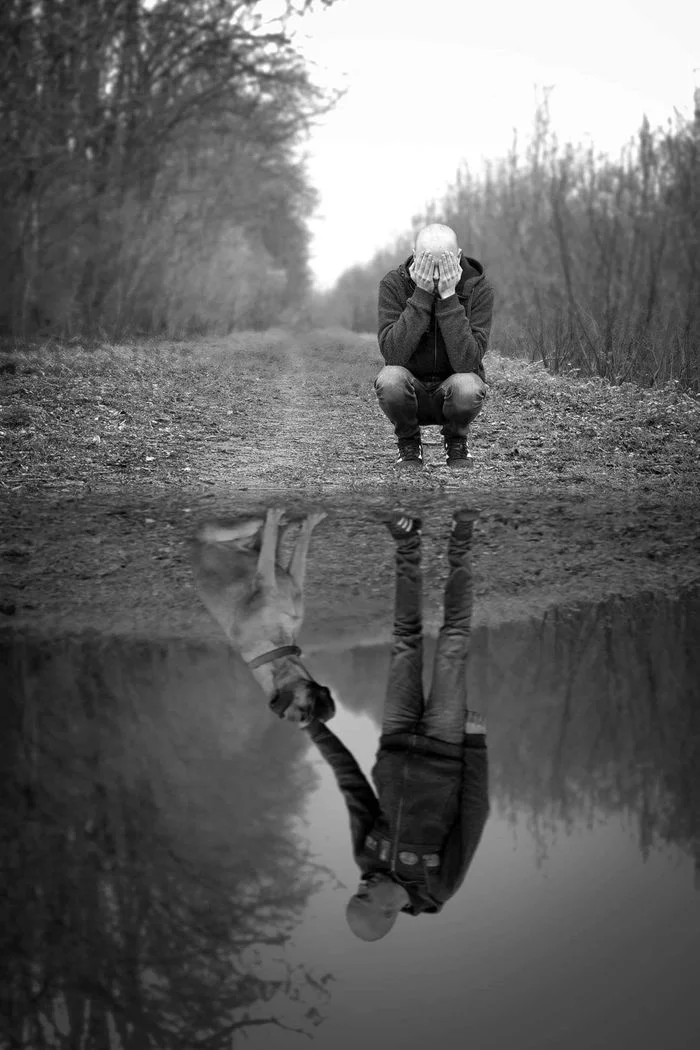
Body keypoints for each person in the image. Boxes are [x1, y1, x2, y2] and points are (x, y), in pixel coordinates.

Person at [301, 507, 490, 940]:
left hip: (397, 735)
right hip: (446, 745)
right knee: (453, 642)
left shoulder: (365, 860)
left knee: (405, 638)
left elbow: (350, 784)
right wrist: (476, 745)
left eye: (356, 892)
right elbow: (474, 813)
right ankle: (461, 537)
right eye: (364, 897)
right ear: (389, 914)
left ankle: (407, 542)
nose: (362, 885)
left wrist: (311, 727)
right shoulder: (440, 886)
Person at [374, 223, 495, 469]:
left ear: (458, 258)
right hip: (411, 388)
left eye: (444, 265)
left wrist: (449, 297)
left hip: (452, 390)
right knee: (389, 379)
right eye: (428, 264)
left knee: (468, 384)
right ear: (415, 256)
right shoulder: (393, 284)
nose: (435, 275)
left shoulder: (479, 289)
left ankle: (456, 439)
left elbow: (468, 362)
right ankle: (409, 444)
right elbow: (393, 354)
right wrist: (422, 294)